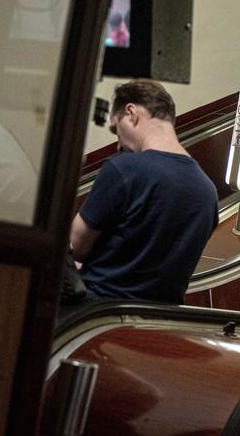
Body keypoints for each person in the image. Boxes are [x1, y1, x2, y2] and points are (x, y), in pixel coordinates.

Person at [70, 79, 218, 303]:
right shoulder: (208, 191)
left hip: (97, 313)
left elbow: (76, 244)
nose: (119, 144)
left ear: (131, 112)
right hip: (157, 323)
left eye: (115, 129)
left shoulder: (124, 169)